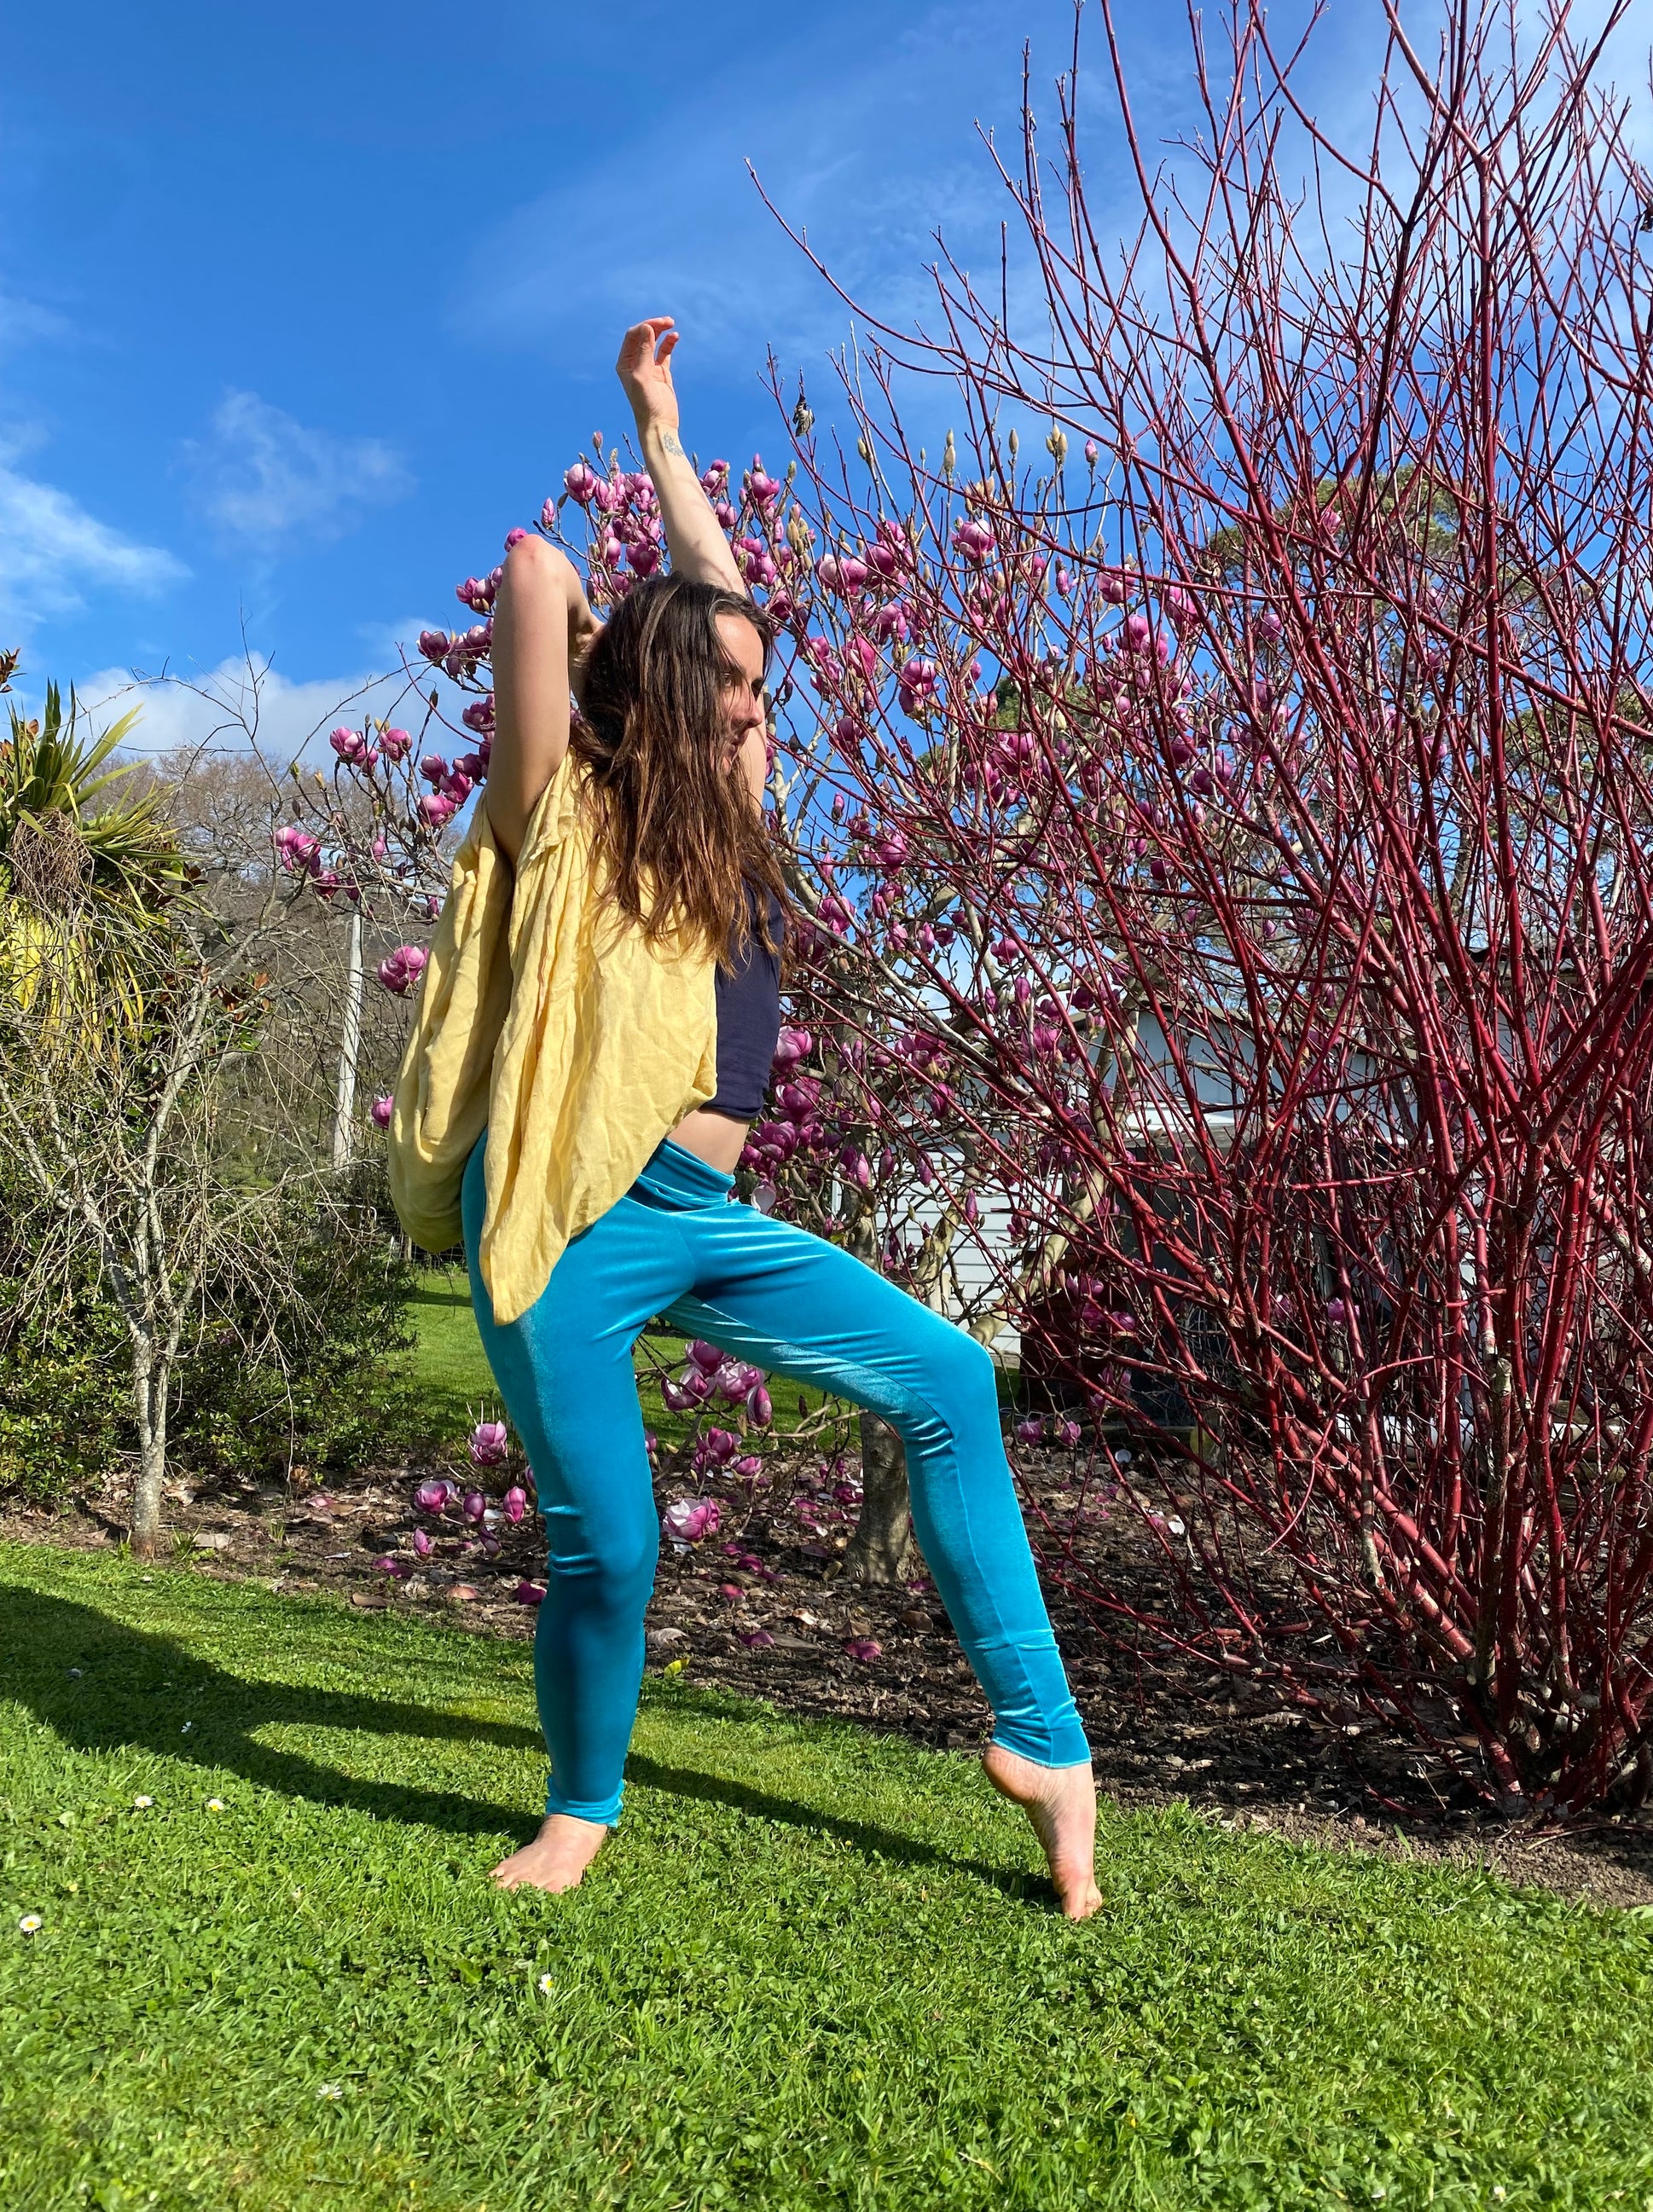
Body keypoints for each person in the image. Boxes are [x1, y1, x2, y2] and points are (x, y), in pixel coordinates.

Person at [389, 316, 1101, 1920]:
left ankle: (1048, 1748)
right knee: (612, 1551)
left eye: (760, 694)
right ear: (652, 688)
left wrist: (660, 437)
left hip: (699, 1221)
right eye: (727, 689)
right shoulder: (554, 801)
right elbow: (525, 572)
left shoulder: (736, 824)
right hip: (567, 1214)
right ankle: (579, 1811)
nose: (754, 713)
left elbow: (727, 616)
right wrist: (616, 616)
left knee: (946, 1381)